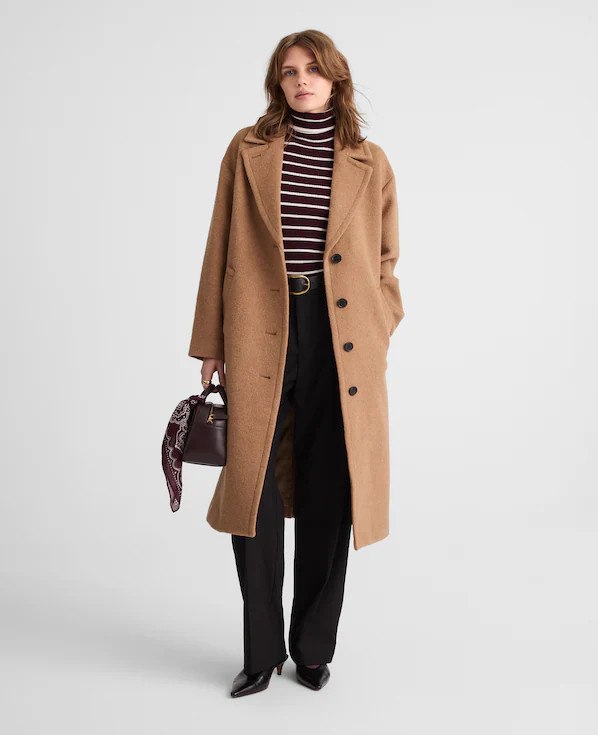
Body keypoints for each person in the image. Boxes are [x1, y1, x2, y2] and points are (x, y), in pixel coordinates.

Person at [187, 29, 404, 697]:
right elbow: (219, 243)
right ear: (276, 83)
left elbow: (386, 259)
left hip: (343, 337)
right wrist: (212, 341)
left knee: (330, 490)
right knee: (252, 488)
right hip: (261, 328)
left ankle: (311, 650)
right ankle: (260, 653)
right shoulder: (246, 150)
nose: (302, 80)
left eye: (313, 70)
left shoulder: (370, 161)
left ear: (336, 79)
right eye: (289, 72)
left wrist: (381, 321)